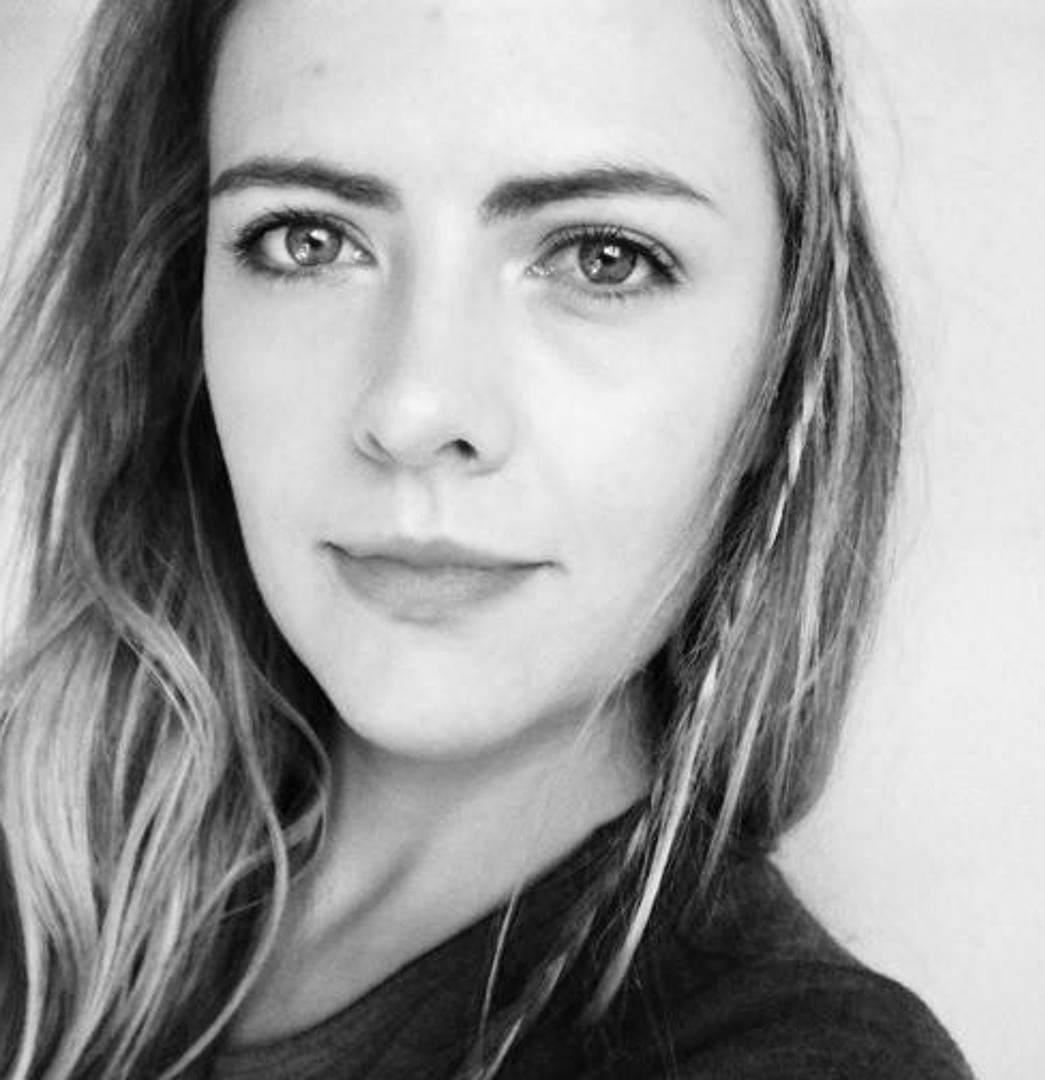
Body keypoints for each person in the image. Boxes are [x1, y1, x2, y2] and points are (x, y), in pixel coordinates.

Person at [0, 0, 975, 1077]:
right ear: (185, 320)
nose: (412, 410)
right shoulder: (38, 888)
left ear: (782, 379)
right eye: (307, 240)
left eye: (602, 258)